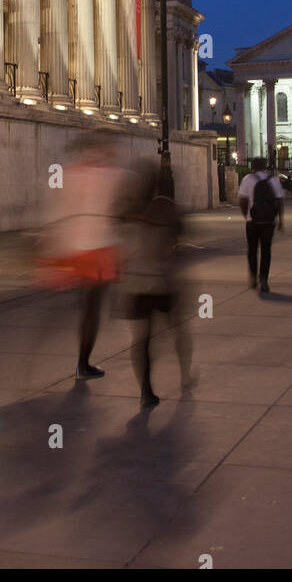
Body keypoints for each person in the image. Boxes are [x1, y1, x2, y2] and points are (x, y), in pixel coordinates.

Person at [35, 127, 138, 378]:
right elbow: (128, 205)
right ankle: (83, 363)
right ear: (104, 148)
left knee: (85, 304)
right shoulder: (115, 176)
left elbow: (57, 210)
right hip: (99, 248)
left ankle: (68, 348)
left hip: (72, 247)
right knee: (93, 307)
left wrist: (51, 247)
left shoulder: (70, 174)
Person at [115, 156, 192, 408]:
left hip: (136, 284)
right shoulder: (167, 208)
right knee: (177, 329)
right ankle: (184, 374)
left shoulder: (128, 212)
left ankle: (146, 390)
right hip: (161, 280)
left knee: (143, 340)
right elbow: (180, 239)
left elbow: (119, 244)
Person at [238, 158, 285, 293]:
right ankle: (264, 279)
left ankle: (253, 277)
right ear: (265, 167)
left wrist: (246, 215)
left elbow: (242, 199)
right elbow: (280, 200)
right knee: (266, 250)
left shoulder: (248, 179)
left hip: (252, 220)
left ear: (252, 166)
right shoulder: (273, 180)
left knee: (252, 249)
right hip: (268, 221)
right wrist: (281, 220)